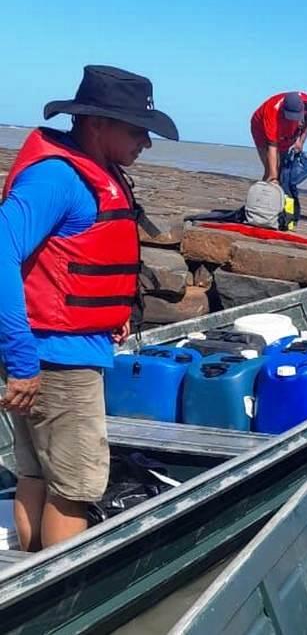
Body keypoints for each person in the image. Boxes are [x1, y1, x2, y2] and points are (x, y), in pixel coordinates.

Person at [0, 65, 178, 550]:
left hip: (56, 350)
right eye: (137, 130)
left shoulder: (90, 170)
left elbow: (70, 258)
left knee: (37, 473)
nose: (145, 141)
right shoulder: (58, 178)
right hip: (55, 361)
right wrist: (21, 361)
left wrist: (110, 312)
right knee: (75, 490)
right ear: (97, 124)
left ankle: (29, 565)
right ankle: (57, 599)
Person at [250, 91, 307, 183]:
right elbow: (272, 146)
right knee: (271, 169)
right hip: (261, 129)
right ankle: (265, 191)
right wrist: (273, 177)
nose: (294, 119)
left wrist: (300, 141)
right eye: (291, 116)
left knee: (283, 169)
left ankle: (279, 190)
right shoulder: (272, 110)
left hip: (288, 130)